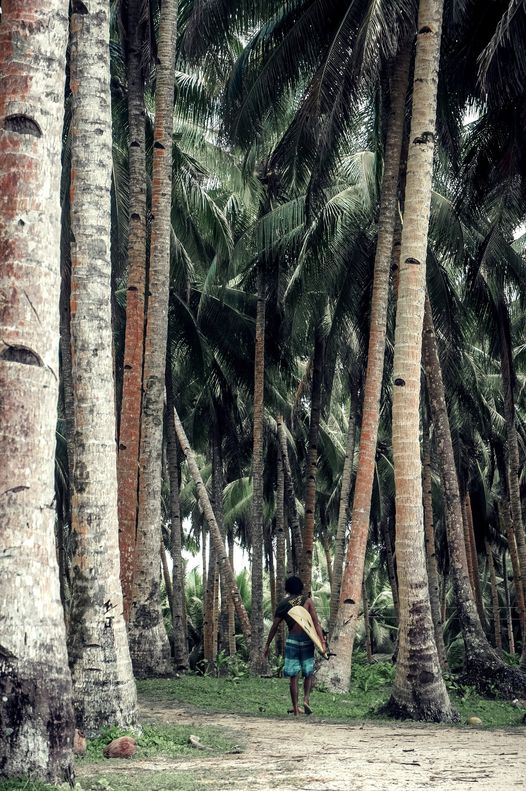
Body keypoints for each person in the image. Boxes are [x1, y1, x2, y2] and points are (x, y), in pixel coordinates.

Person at [264, 575, 326, 716]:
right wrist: (322, 642)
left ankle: (295, 708)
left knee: (293, 675)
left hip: (292, 641)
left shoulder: (283, 603)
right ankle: (306, 700)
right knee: (308, 673)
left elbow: (274, 626)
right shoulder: (307, 601)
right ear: (301, 587)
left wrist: (267, 644)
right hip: (307, 640)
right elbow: (316, 623)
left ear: (287, 588)